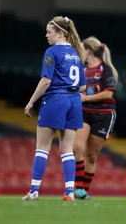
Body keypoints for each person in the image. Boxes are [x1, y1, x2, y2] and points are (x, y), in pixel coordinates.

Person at [22, 16, 86, 201]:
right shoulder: (77, 53)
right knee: (67, 150)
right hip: (74, 101)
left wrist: (31, 101)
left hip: (55, 100)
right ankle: (70, 193)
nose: (46, 35)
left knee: (42, 147)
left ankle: (34, 190)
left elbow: (46, 80)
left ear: (60, 33)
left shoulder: (51, 52)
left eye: (49, 32)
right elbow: (82, 86)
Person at [73, 36, 118, 200]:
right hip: (84, 112)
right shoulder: (81, 69)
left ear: (89, 51)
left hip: (104, 115)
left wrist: (86, 98)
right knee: (77, 148)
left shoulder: (105, 69)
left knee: (92, 155)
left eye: (82, 50)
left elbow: (108, 93)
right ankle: (78, 187)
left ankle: (83, 191)